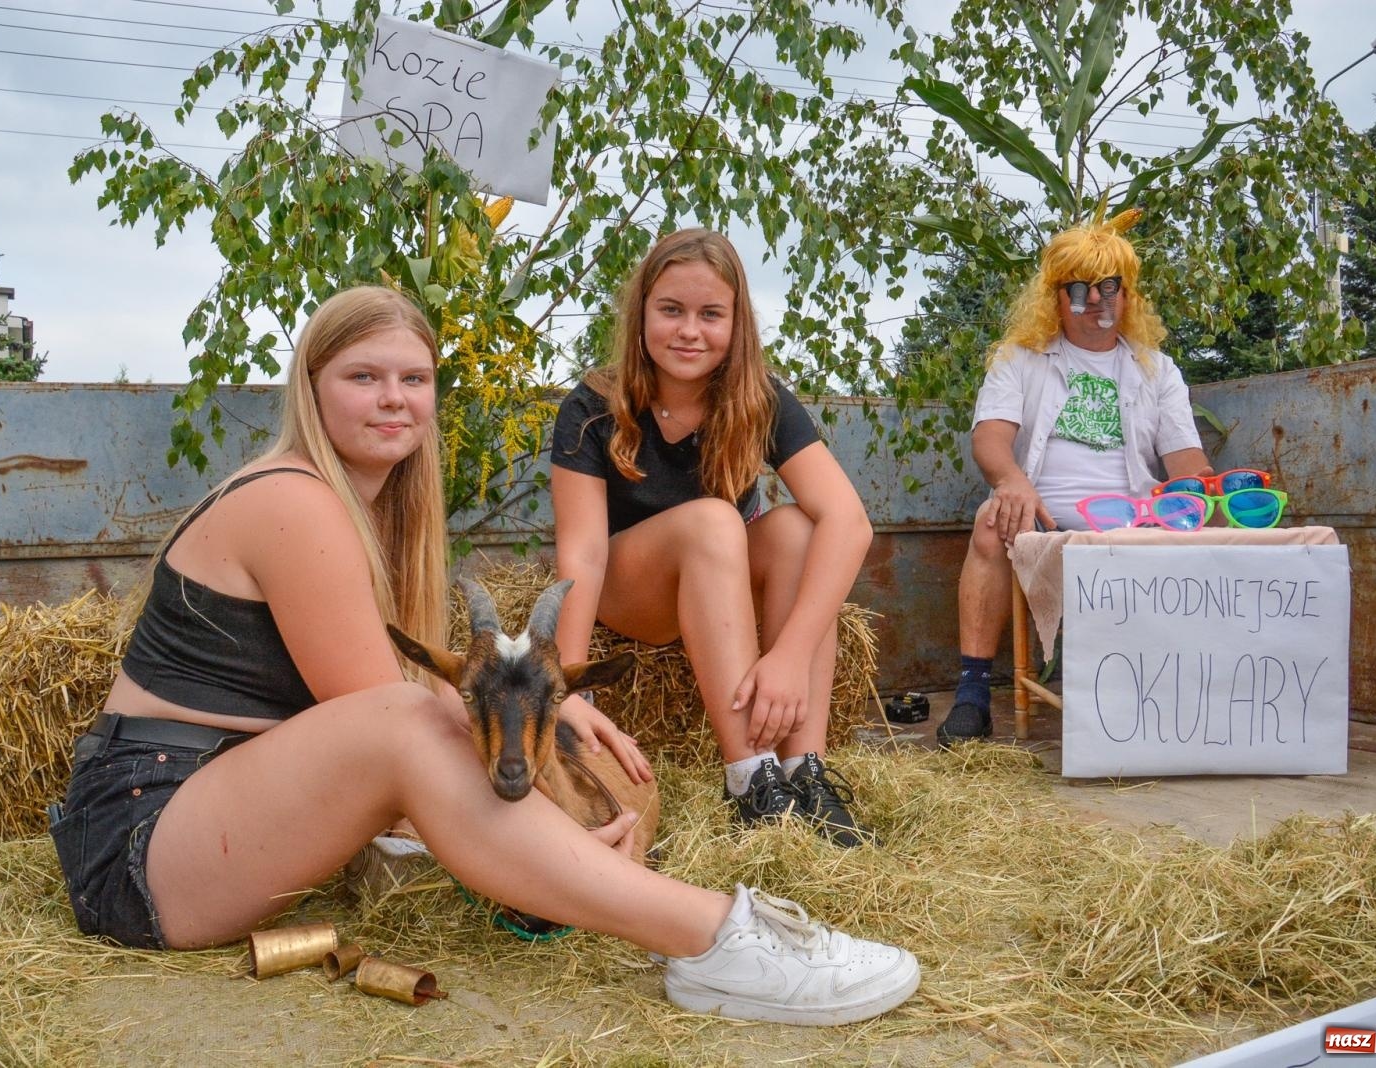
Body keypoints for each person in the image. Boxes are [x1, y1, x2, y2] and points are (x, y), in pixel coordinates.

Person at [49, 285, 919, 1026]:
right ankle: (716, 939)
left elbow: (423, 740)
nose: (394, 398)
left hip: (230, 817)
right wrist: (557, 835)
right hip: (142, 839)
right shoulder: (294, 503)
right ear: (311, 392)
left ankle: (699, 924)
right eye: (363, 377)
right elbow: (406, 734)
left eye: (414, 379)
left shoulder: (376, 515)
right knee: (408, 719)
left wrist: (560, 720)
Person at [548, 229, 875, 848]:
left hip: (718, 588)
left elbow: (849, 521)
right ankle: (750, 779)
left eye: (710, 315)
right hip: (632, 595)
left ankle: (805, 774)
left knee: (799, 530)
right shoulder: (594, 406)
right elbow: (583, 554)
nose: (689, 331)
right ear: (641, 313)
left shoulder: (759, 399)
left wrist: (788, 656)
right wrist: (567, 683)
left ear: (737, 323)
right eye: (671, 310)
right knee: (716, 518)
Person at [939, 212, 1213, 745]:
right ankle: (973, 693)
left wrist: (1207, 490)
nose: (1097, 302)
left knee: (1211, 535)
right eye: (1081, 290)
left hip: (1135, 523)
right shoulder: (1021, 360)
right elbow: (989, 439)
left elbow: (1186, 463)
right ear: (1056, 298)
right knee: (992, 521)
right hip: (1042, 519)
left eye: (1110, 288)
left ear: (1127, 296)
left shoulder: (1157, 369)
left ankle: (1179, 694)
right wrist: (1011, 482)